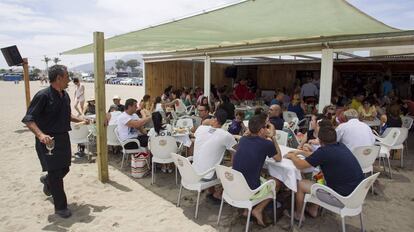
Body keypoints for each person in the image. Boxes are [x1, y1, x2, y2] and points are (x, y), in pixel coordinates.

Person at [22, 65, 88, 218]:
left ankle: (47, 180)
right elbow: (29, 119)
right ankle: (61, 207)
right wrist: (40, 135)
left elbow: (67, 115)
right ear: (59, 78)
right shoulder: (43, 95)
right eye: (67, 77)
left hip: (63, 138)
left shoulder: (65, 95)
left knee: (65, 168)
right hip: (48, 141)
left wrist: (83, 120)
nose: (69, 80)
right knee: (56, 173)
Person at [285, 126, 364, 221]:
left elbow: (300, 165)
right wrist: (301, 153)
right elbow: (317, 156)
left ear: (320, 140)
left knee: (301, 184)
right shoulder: (341, 146)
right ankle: (313, 209)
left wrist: (293, 156)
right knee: (320, 180)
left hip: (342, 198)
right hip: (357, 195)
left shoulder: (324, 152)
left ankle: (298, 215)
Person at [232, 114, 282, 226]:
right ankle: (258, 209)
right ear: (261, 130)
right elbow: (278, 158)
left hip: (235, 185)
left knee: (254, 172)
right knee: (277, 182)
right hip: (250, 189)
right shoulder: (266, 144)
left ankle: (246, 210)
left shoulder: (243, 139)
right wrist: (273, 137)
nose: (267, 129)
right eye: (265, 127)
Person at [192, 109, 237, 200]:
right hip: (206, 175)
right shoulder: (226, 135)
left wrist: (207, 122)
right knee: (232, 170)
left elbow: (200, 136)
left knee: (211, 162)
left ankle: (211, 191)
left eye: (212, 117)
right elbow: (236, 151)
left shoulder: (201, 128)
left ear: (215, 119)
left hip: (192, 171)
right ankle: (218, 193)